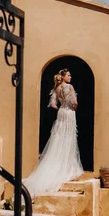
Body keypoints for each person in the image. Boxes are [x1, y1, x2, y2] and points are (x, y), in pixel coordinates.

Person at [22, 68, 83, 196]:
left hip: (61, 113)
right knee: (68, 138)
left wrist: (61, 106)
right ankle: (67, 167)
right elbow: (75, 102)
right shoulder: (70, 87)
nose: (70, 77)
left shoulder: (56, 88)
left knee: (59, 138)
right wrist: (73, 107)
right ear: (63, 77)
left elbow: (53, 104)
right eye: (68, 75)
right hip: (69, 113)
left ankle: (57, 164)